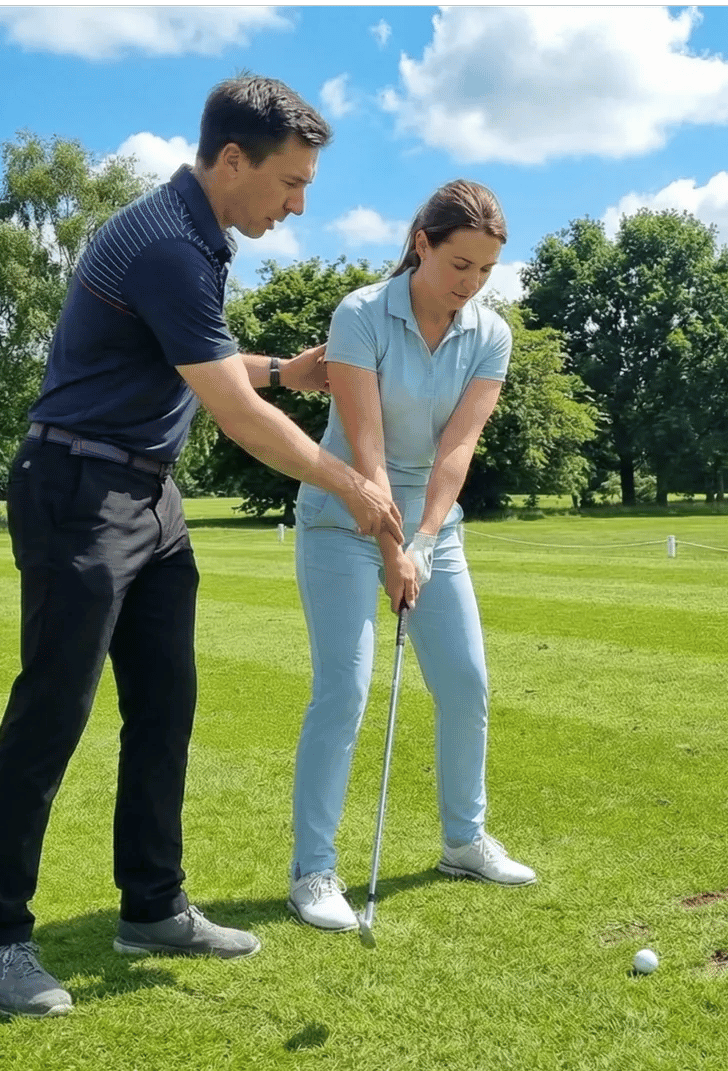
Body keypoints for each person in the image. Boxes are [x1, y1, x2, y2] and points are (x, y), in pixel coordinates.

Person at [0, 74, 403, 1018]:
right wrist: (355, 487)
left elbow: (205, 358)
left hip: (147, 496)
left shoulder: (194, 236)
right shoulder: (168, 243)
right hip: (79, 488)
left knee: (164, 708)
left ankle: (152, 905)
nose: (299, 204)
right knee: (52, 714)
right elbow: (234, 414)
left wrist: (285, 368)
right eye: (290, 182)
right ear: (231, 160)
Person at [284, 180, 537, 933]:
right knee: (345, 688)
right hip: (341, 517)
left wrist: (423, 543)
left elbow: (456, 452)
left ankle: (464, 839)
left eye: (486, 271)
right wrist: (393, 546)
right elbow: (368, 452)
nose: (470, 285)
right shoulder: (361, 314)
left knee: (466, 682)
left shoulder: (490, 333)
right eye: (460, 264)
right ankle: (313, 871)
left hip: (433, 523)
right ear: (421, 243)